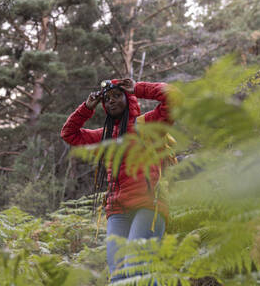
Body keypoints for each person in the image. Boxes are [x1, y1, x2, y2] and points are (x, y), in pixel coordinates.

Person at [61, 78, 180, 284]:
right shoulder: (105, 136)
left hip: (148, 206)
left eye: (117, 96)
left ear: (128, 98)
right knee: (118, 277)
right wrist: (87, 107)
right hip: (117, 210)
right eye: (106, 99)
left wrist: (138, 88)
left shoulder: (150, 124)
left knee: (137, 270)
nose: (111, 101)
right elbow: (69, 134)